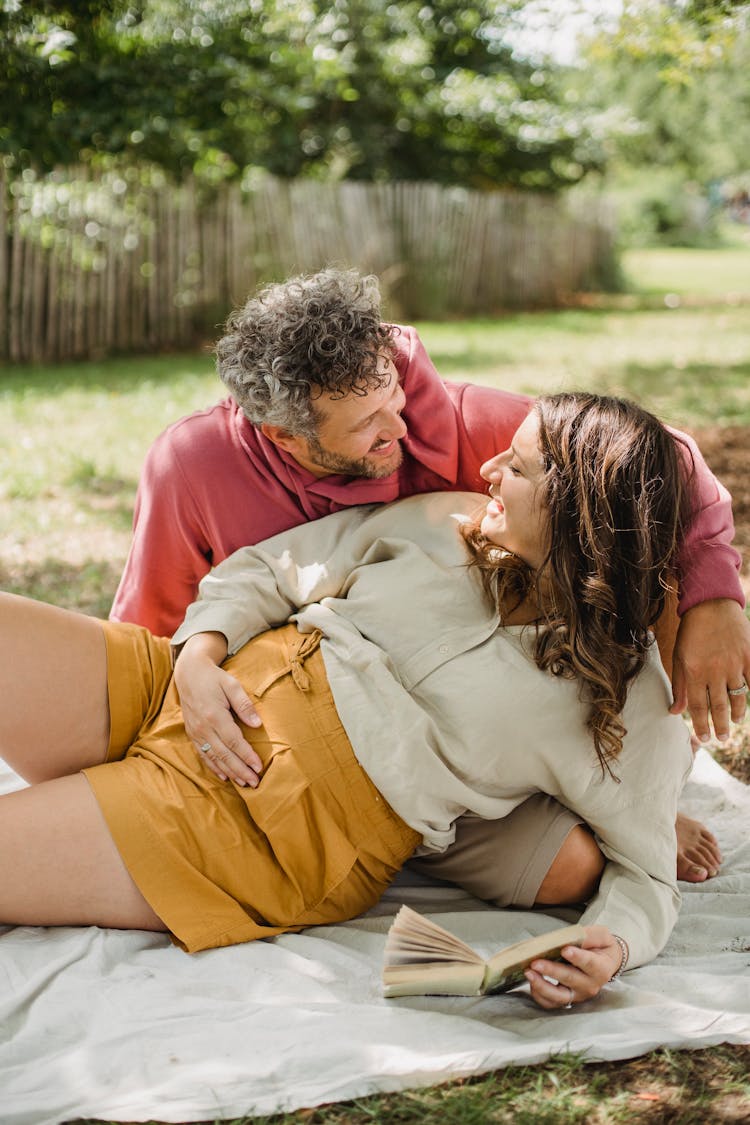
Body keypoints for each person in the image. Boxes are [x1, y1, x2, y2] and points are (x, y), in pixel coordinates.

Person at [1, 393, 739, 1010]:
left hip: (266, 822)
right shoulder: (445, 521)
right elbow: (270, 569)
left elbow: (646, 876)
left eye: (515, 466)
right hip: (187, 685)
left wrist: (611, 947)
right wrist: (198, 656)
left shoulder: (626, 695)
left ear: (576, 510)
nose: (487, 469)